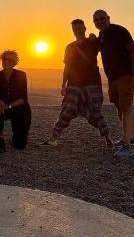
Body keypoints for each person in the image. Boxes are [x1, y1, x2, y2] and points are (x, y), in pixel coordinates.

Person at [41, 19, 114, 148]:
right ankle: (53, 138)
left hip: (92, 84)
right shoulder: (70, 47)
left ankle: (108, 139)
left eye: (80, 28)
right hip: (74, 84)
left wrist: (95, 37)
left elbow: (106, 46)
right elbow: (67, 67)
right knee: (67, 110)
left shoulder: (92, 42)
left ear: (85, 28)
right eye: (75, 29)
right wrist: (63, 84)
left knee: (95, 112)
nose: (77, 31)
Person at [93, 9, 134, 159]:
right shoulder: (102, 36)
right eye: (96, 20)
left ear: (108, 18)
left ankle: (127, 146)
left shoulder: (120, 31)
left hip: (125, 76)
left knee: (126, 108)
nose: (100, 22)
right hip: (112, 79)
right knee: (119, 106)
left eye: (102, 18)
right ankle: (130, 137)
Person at [0, 50, 31, 151]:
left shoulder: (21, 75)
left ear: (15, 62)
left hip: (20, 108)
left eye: (10, 60)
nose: (6, 62)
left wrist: (9, 106)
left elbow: (23, 98)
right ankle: (1, 139)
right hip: (3, 107)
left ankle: (17, 136)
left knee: (20, 145)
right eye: (4, 59)